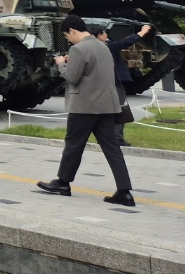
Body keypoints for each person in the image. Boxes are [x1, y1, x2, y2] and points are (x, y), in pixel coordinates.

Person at [37, 14, 135, 207]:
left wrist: (61, 64)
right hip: (107, 106)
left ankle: (63, 183)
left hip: (84, 106)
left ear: (72, 31)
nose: (68, 39)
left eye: (66, 35)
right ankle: (124, 192)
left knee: (74, 145)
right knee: (113, 149)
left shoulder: (78, 49)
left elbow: (72, 77)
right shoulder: (103, 46)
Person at [93, 23, 153, 145]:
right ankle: (117, 138)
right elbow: (125, 42)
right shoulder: (107, 46)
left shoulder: (90, 47)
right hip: (113, 82)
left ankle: (104, 137)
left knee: (105, 112)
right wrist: (143, 31)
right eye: (104, 33)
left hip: (99, 83)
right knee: (119, 109)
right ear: (99, 36)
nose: (106, 35)